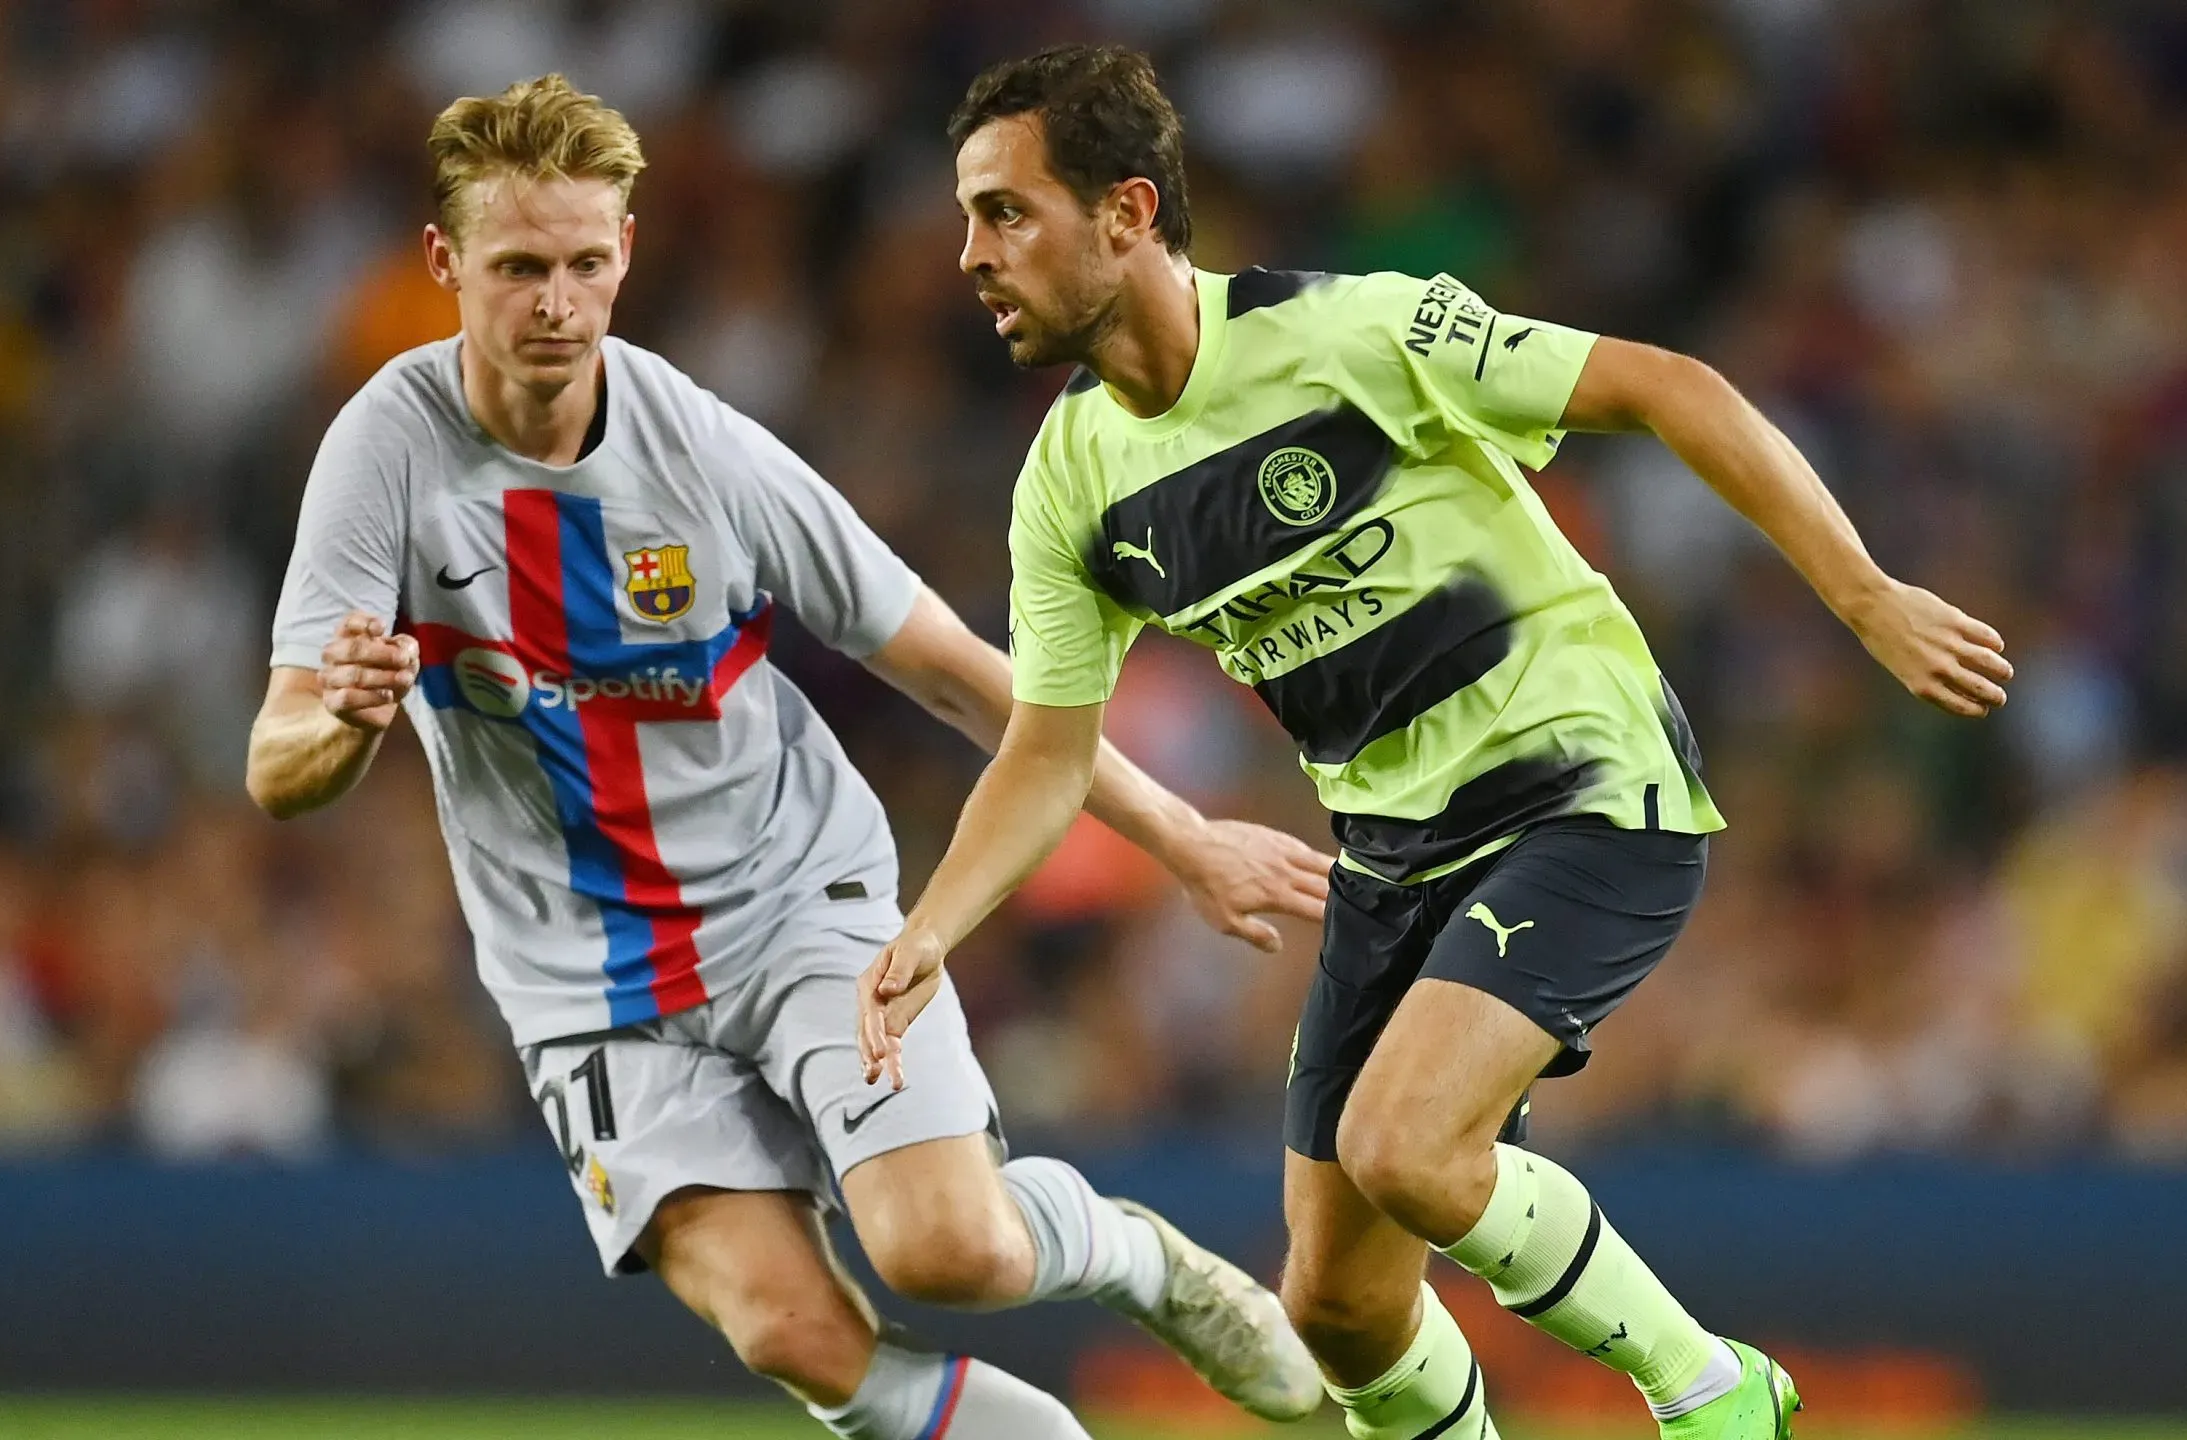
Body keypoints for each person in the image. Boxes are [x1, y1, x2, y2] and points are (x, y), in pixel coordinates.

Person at [859, 44, 2015, 1440]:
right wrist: (937, 923)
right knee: (1339, 1311)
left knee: (1407, 1145)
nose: (971, 255)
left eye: (1007, 212)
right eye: (968, 216)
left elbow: (1672, 386)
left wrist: (1865, 595)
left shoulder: (1348, 334)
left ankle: (1715, 1393)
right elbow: (1046, 750)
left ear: (1129, 214)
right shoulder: (1070, 484)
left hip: (1580, 787)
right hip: (1393, 857)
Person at [244, 74, 1329, 1440]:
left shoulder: (699, 448)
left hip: (793, 907)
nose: (556, 304)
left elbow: (956, 672)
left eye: (586, 263)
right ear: (445, 263)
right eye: (519, 266)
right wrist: (338, 719)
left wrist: (1184, 837)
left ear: (626, 253)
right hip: (588, 986)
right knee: (795, 1334)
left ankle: (1137, 1257)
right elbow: (281, 762)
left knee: (954, 1254)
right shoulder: (383, 456)